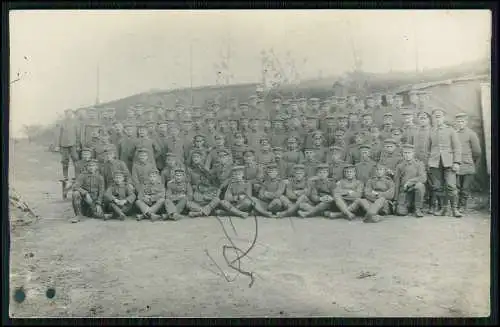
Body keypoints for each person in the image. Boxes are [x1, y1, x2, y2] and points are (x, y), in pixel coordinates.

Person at [427, 108, 462, 217]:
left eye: (439, 116)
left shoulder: (451, 130)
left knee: (451, 185)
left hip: (449, 162)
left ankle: (454, 209)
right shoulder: (431, 131)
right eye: (435, 117)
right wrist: (428, 162)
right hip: (435, 163)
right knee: (438, 186)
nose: (437, 119)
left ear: (444, 117)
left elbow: (457, 147)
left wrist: (456, 162)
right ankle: (443, 208)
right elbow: (428, 149)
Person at [454, 112, 482, 212]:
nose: (460, 123)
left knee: (465, 188)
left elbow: (477, 152)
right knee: (457, 186)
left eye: (462, 121)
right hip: (456, 165)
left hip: (468, 164)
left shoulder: (471, 134)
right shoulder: (454, 133)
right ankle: (455, 206)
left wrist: (470, 160)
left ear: (466, 122)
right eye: (458, 121)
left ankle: (462, 206)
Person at [394, 144, 427, 218]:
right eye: (405, 153)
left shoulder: (419, 164)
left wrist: (410, 182)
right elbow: (397, 183)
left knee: (420, 185)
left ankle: (418, 208)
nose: (407, 155)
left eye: (409, 153)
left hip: (415, 191)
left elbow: (423, 178)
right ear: (402, 154)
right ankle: (409, 206)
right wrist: (395, 199)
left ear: (413, 153)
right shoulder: (399, 166)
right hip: (405, 192)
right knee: (400, 212)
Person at [59, 109, 81, 182]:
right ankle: (65, 177)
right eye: (67, 113)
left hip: (73, 144)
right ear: (65, 114)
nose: (69, 115)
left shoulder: (75, 122)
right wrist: (59, 146)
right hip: (64, 145)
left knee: (76, 160)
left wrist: (78, 144)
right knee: (64, 161)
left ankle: (77, 177)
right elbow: (59, 134)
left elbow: (78, 134)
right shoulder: (62, 122)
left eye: (70, 113)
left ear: (72, 114)